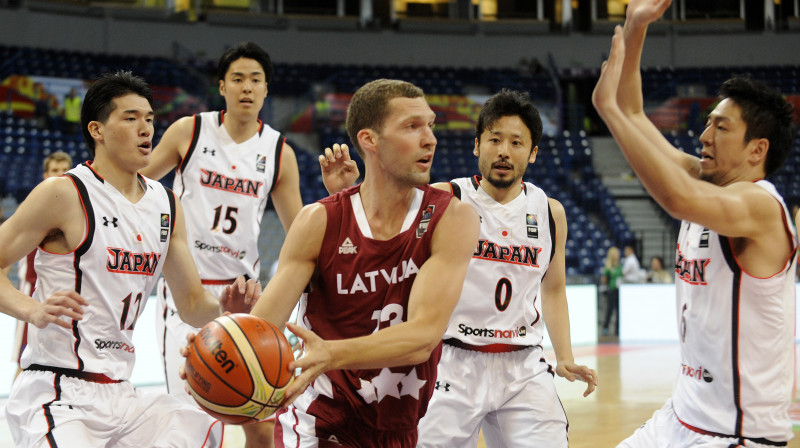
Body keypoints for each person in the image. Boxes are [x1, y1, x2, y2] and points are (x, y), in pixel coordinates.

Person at [319, 89, 597, 447]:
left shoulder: (549, 212)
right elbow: (382, 240)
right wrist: (350, 193)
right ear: (477, 145)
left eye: (517, 143)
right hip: (450, 359)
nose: (504, 151)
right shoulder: (445, 197)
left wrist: (565, 357)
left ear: (533, 153)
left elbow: (554, 288)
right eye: (495, 139)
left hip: (523, 365)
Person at [0, 71, 260, 447]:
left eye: (150, 119)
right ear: (97, 130)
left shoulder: (167, 204)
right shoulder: (64, 193)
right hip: (57, 388)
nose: (146, 129)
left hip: (121, 394)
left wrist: (225, 310)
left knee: (198, 427)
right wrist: (31, 310)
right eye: (131, 118)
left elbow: (190, 304)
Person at [592, 0, 798, 445]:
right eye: (707, 124)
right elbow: (632, 113)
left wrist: (604, 109)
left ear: (756, 150)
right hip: (681, 416)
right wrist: (637, 24)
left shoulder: (760, 206)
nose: (703, 136)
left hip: (733, 435)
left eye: (720, 128)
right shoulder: (704, 179)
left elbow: (675, 198)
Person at [233, 79, 480, 447]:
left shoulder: (452, 218)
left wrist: (330, 354)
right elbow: (263, 328)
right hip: (321, 418)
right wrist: (229, 338)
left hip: (399, 427)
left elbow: (422, 337)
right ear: (369, 140)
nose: (430, 139)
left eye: (430, 125)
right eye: (412, 127)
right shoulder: (318, 221)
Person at [139, 42, 302, 448]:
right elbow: (136, 183)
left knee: (261, 417)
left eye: (256, 80)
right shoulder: (189, 131)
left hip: (246, 296)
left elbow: (301, 230)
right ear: (222, 87)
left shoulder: (279, 151)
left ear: (266, 90)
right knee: (193, 415)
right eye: (238, 79)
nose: (247, 87)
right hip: (187, 287)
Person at [5, 151, 73, 379]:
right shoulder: (34, 208)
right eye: (55, 170)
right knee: (27, 363)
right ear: (45, 175)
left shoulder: (76, 210)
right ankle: (15, 413)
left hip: (67, 299)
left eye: (65, 170)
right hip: (34, 295)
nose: (60, 175)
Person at [601, 246, 623, 336]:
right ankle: (606, 327)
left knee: (619, 310)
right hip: (611, 290)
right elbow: (604, 279)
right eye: (616, 253)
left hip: (620, 290)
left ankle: (617, 328)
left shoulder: (620, 266)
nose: (618, 255)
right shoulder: (609, 267)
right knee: (609, 309)